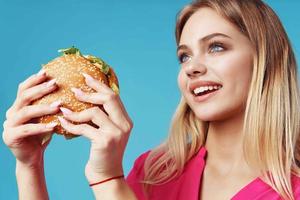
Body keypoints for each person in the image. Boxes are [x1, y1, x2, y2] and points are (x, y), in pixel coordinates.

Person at [2, 0, 300, 199]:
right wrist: (30, 167)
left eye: (217, 47)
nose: (192, 67)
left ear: (266, 59)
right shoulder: (155, 171)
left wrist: (108, 181)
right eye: (184, 56)